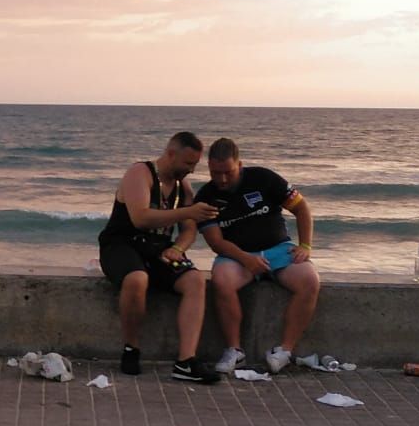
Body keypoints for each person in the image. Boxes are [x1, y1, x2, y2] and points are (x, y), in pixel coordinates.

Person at [97, 131, 220, 383]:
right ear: (171, 154)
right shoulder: (140, 174)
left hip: (158, 249)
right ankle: (131, 348)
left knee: (195, 280)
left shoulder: (182, 187)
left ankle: (186, 362)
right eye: (188, 164)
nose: (191, 171)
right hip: (121, 245)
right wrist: (188, 211)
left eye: (195, 165)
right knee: (137, 279)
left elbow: (188, 228)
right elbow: (140, 217)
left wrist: (178, 248)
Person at [195, 137, 320, 375]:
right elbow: (216, 242)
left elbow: (301, 208)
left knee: (310, 280)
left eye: (227, 173)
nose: (221, 179)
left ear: (239, 165)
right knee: (221, 279)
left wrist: (305, 245)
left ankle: (284, 351)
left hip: (278, 249)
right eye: (215, 173)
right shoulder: (206, 196)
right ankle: (235, 350)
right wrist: (245, 259)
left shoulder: (264, 178)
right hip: (235, 256)